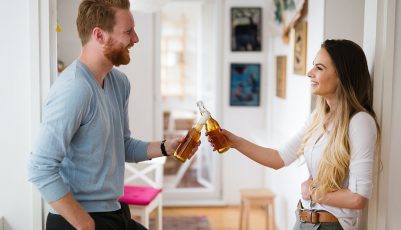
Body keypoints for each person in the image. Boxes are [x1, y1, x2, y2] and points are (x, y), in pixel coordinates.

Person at [27, 0, 198, 229]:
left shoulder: (119, 83)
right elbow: (40, 167)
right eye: (128, 32)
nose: (135, 38)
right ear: (99, 35)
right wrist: (84, 223)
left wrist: (167, 147)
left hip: (114, 212)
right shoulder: (74, 89)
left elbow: (123, 145)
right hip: (79, 220)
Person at [214, 39, 380, 230]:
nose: (310, 73)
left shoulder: (360, 122)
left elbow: (358, 199)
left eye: (319, 68)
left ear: (342, 75)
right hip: (302, 220)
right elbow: (278, 158)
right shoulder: (318, 117)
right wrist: (235, 142)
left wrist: (315, 193)